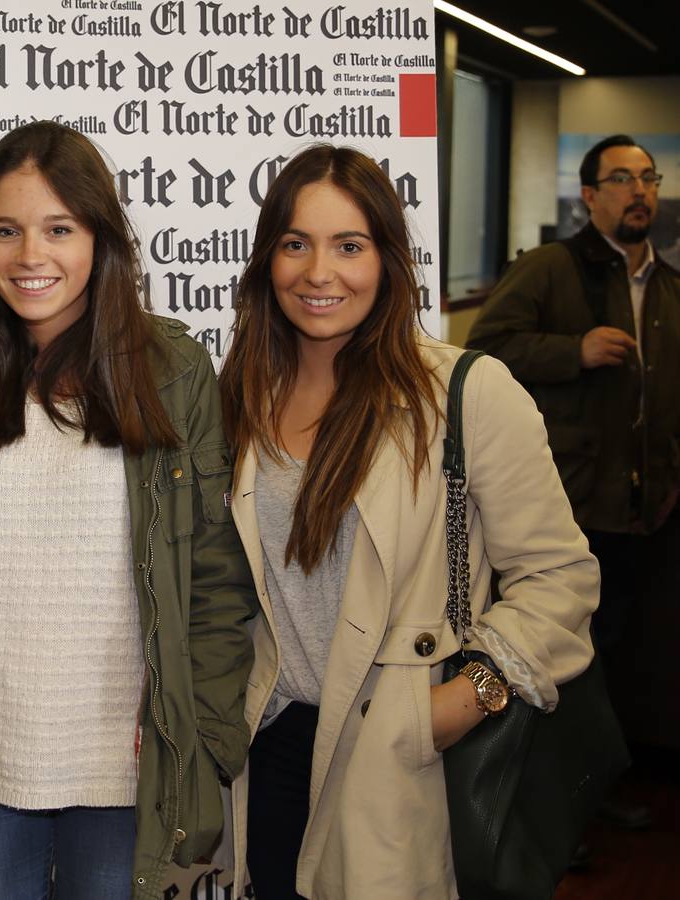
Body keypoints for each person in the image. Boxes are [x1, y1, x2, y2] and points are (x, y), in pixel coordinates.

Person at [0, 120, 256, 900]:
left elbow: (212, 580)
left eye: (57, 229)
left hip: (130, 769)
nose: (29, 256)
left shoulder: (173, 371)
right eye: (5, 231)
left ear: (99, 239)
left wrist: (208, 744)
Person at [218, 145, 599, 899]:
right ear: (267, 261)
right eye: (294, 244)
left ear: (388, 261)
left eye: (348, 246)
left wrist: (460, 705)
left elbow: (559, 577)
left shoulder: (464, 393)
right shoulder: (239, 399)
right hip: (267, 749)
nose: (317, 272)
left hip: (395, 751)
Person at [467, 134, 680, 775]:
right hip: (575, 504)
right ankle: (553, 803)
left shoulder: (668, 284)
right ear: (590, 196)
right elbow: (484, 350)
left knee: (630, 653)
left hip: (650, 508)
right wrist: (574, 351)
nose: (639, 191)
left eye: (649, 178)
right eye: (621, 178)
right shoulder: (550, 268)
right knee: (567, 658)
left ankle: (605, 789)